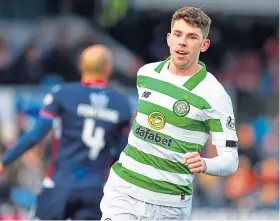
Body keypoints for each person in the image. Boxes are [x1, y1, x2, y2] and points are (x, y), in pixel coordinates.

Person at [100, 6, 239, 220]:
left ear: (204, 45)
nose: (182, 42)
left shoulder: (215, 95)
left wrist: (205, 164)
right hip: (124, 190)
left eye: (192, 37)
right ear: (168, 38)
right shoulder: (145, 74)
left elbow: (231, 159)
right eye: (178, 34)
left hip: (170, 204)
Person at [0, 45, 132, 220]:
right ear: (109, 69)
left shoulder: (62, 94)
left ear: (81, 66)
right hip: (96, 189)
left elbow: (35, 135)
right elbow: (122, 154)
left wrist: (5, 161)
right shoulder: (121, 104)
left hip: (59, 186)